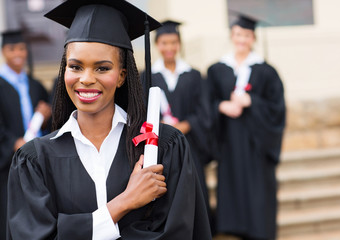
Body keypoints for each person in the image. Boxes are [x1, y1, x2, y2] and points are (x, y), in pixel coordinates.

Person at [6, 0, 212, 239]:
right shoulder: (35, 160)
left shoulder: (163, 147)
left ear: (122, 75)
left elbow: (177, 232)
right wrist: (123, 203)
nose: (86, 79)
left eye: (102, 68)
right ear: (65, 71)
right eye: (75, 66)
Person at [207, 14, 286, 240]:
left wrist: (252, 102)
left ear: (253, 38)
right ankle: (234, 227)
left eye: (247, 35)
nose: (242, 39)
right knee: (232, 185)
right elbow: (206, 102)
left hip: (256, 145)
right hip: (229, 141)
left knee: (258, 189)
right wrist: (222, 106)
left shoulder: (266, 71)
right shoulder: (217, 69)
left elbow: (277, 108)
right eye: (238, 34)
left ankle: (259, 230)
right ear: (232, 36)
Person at [143, 20, 213, 228]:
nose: (169, 48)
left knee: (194, 187)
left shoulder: (193, 74)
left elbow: (204, 111)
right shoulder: (147, 75)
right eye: (164, 42)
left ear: (179, 44)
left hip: (190, 144)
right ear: (157, 45)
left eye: (173, 42)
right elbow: (141, 112)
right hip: (160, 147)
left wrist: (186, 125)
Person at [0, 30, 51, 239]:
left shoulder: (35, 85)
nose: (18, 53)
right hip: (8, 162)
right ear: (4, 52)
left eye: (21, 48)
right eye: (12, 49)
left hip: (34, 158)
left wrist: (45, 117)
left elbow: (46, 122)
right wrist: (13, 142)